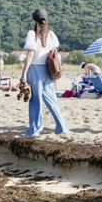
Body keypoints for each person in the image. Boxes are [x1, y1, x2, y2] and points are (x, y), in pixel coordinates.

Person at [19, 8, 69, 138]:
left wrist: (23, 73)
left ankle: (35, 129)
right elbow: (55, 53)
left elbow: (30, 54)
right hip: (48, 69)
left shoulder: (32, 34)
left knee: (35, 100)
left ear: (34, 21)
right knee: (51, 98)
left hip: (35, 69)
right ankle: (62, 126)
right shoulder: (51, 35)